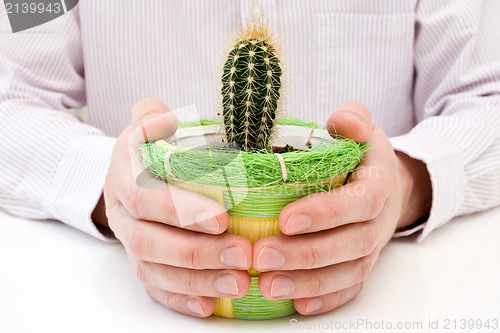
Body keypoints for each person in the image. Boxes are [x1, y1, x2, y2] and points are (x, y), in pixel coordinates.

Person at [1, 1, 499, 318]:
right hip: (113, 307)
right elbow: (10, 94)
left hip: (392, 307)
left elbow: (487, 94)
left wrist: (406, 183)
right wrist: (109, 191)